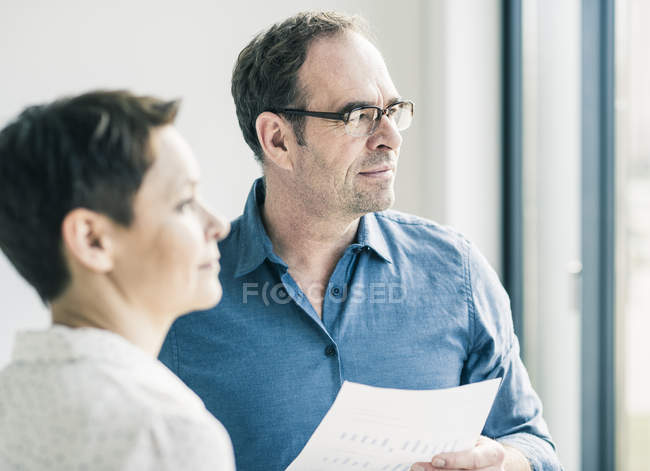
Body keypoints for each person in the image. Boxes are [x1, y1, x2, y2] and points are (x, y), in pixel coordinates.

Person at [159, 11, 562, 471]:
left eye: (392, 111)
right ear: (278, 141)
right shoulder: (178, 297)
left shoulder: (457, 272)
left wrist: (504, 462)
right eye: (358, 116)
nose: (390, 137)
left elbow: (532, 442)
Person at [0, 90, 235, 470]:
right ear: (92, 240)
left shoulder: (10, 401)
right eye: (184, 203)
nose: (218, 225)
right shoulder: (167, 431)